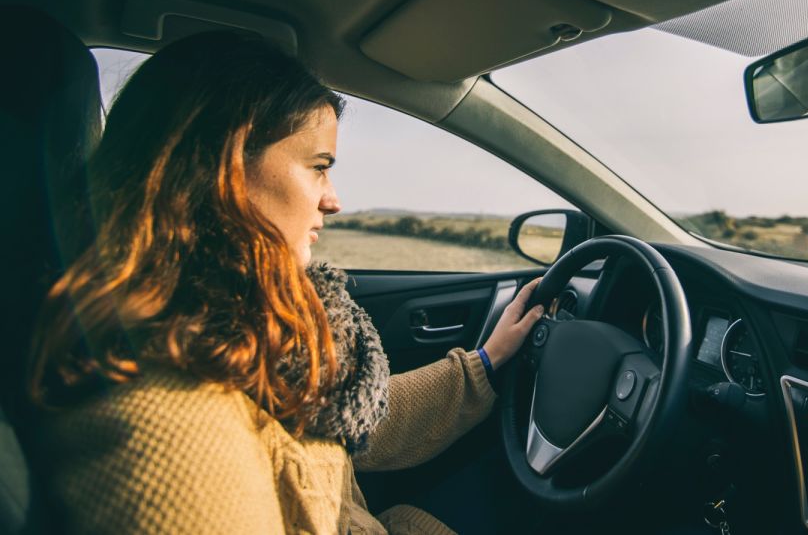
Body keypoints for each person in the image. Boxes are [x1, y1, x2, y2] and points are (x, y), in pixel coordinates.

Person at [30, 31, 545, 534]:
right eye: (319, 166)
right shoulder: (168, 424)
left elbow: (352, 424)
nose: (334, 199)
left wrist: (485, 364)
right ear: (222, 167)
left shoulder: (233, 323)